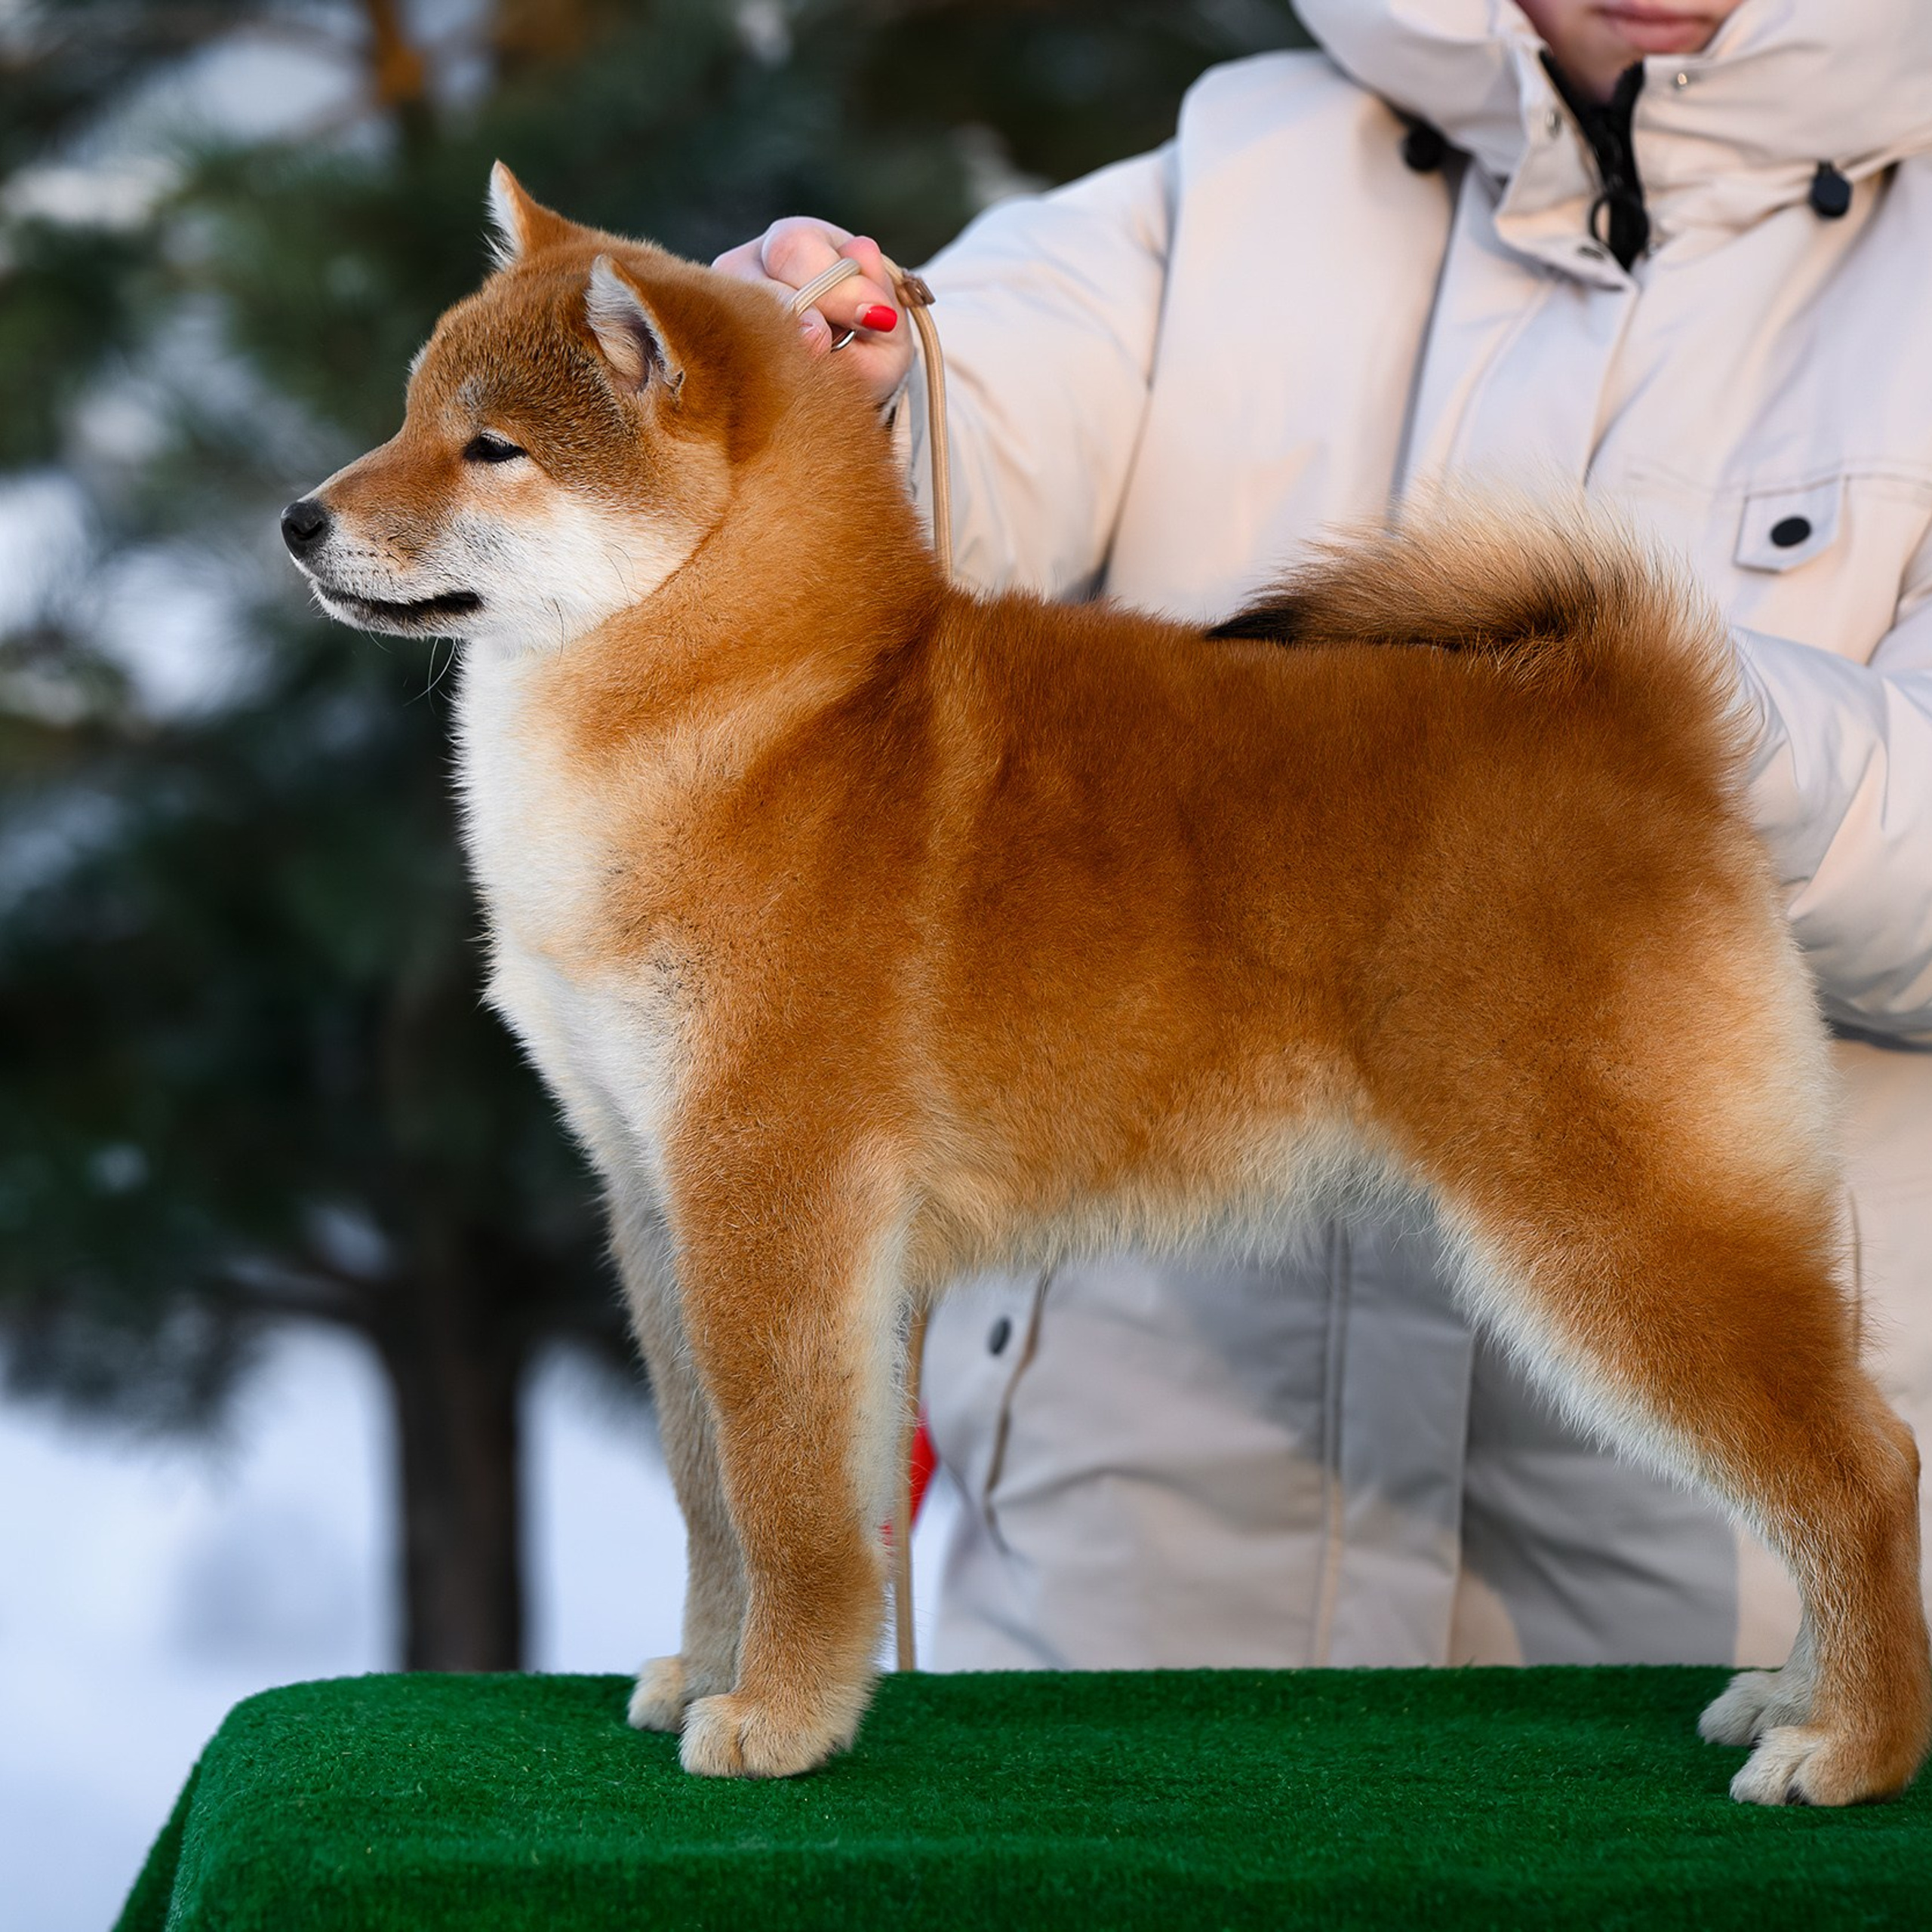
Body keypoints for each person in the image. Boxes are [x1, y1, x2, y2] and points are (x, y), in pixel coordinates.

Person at [714, 0, 1932, 1674]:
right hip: (1141, 1534)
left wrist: (1624, 767)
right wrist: (838, 400)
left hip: (1691, 1575)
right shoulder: (1243, 170)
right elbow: (976, 395)